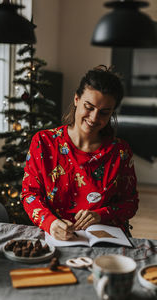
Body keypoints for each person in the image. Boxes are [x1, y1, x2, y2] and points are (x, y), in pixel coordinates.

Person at [21, 65, 139, 241]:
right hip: (56, 239)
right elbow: (29, 194)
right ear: (76, 99)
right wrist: (51, 223)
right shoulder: (43, 143)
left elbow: (130, 203)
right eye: (89, 107)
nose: (94, 117)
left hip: (105, 241)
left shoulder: (120, 152)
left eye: (104, 113)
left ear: (112, 113)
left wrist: (100, 215)